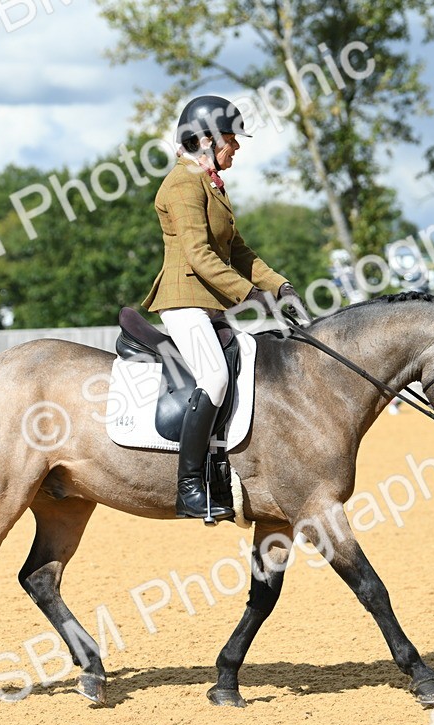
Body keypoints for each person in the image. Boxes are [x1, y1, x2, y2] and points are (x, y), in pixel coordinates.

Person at [142, 95, 299, 521]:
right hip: (184, 301)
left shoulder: (211, 184)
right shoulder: (181, 184)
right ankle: (190, 485)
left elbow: (239, 251)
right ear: (207, 140)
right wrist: (250, 295)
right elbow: (198, 255)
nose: (237, 148)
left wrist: (280, 285)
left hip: (211, 305)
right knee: (213, 377)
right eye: (231, 139)